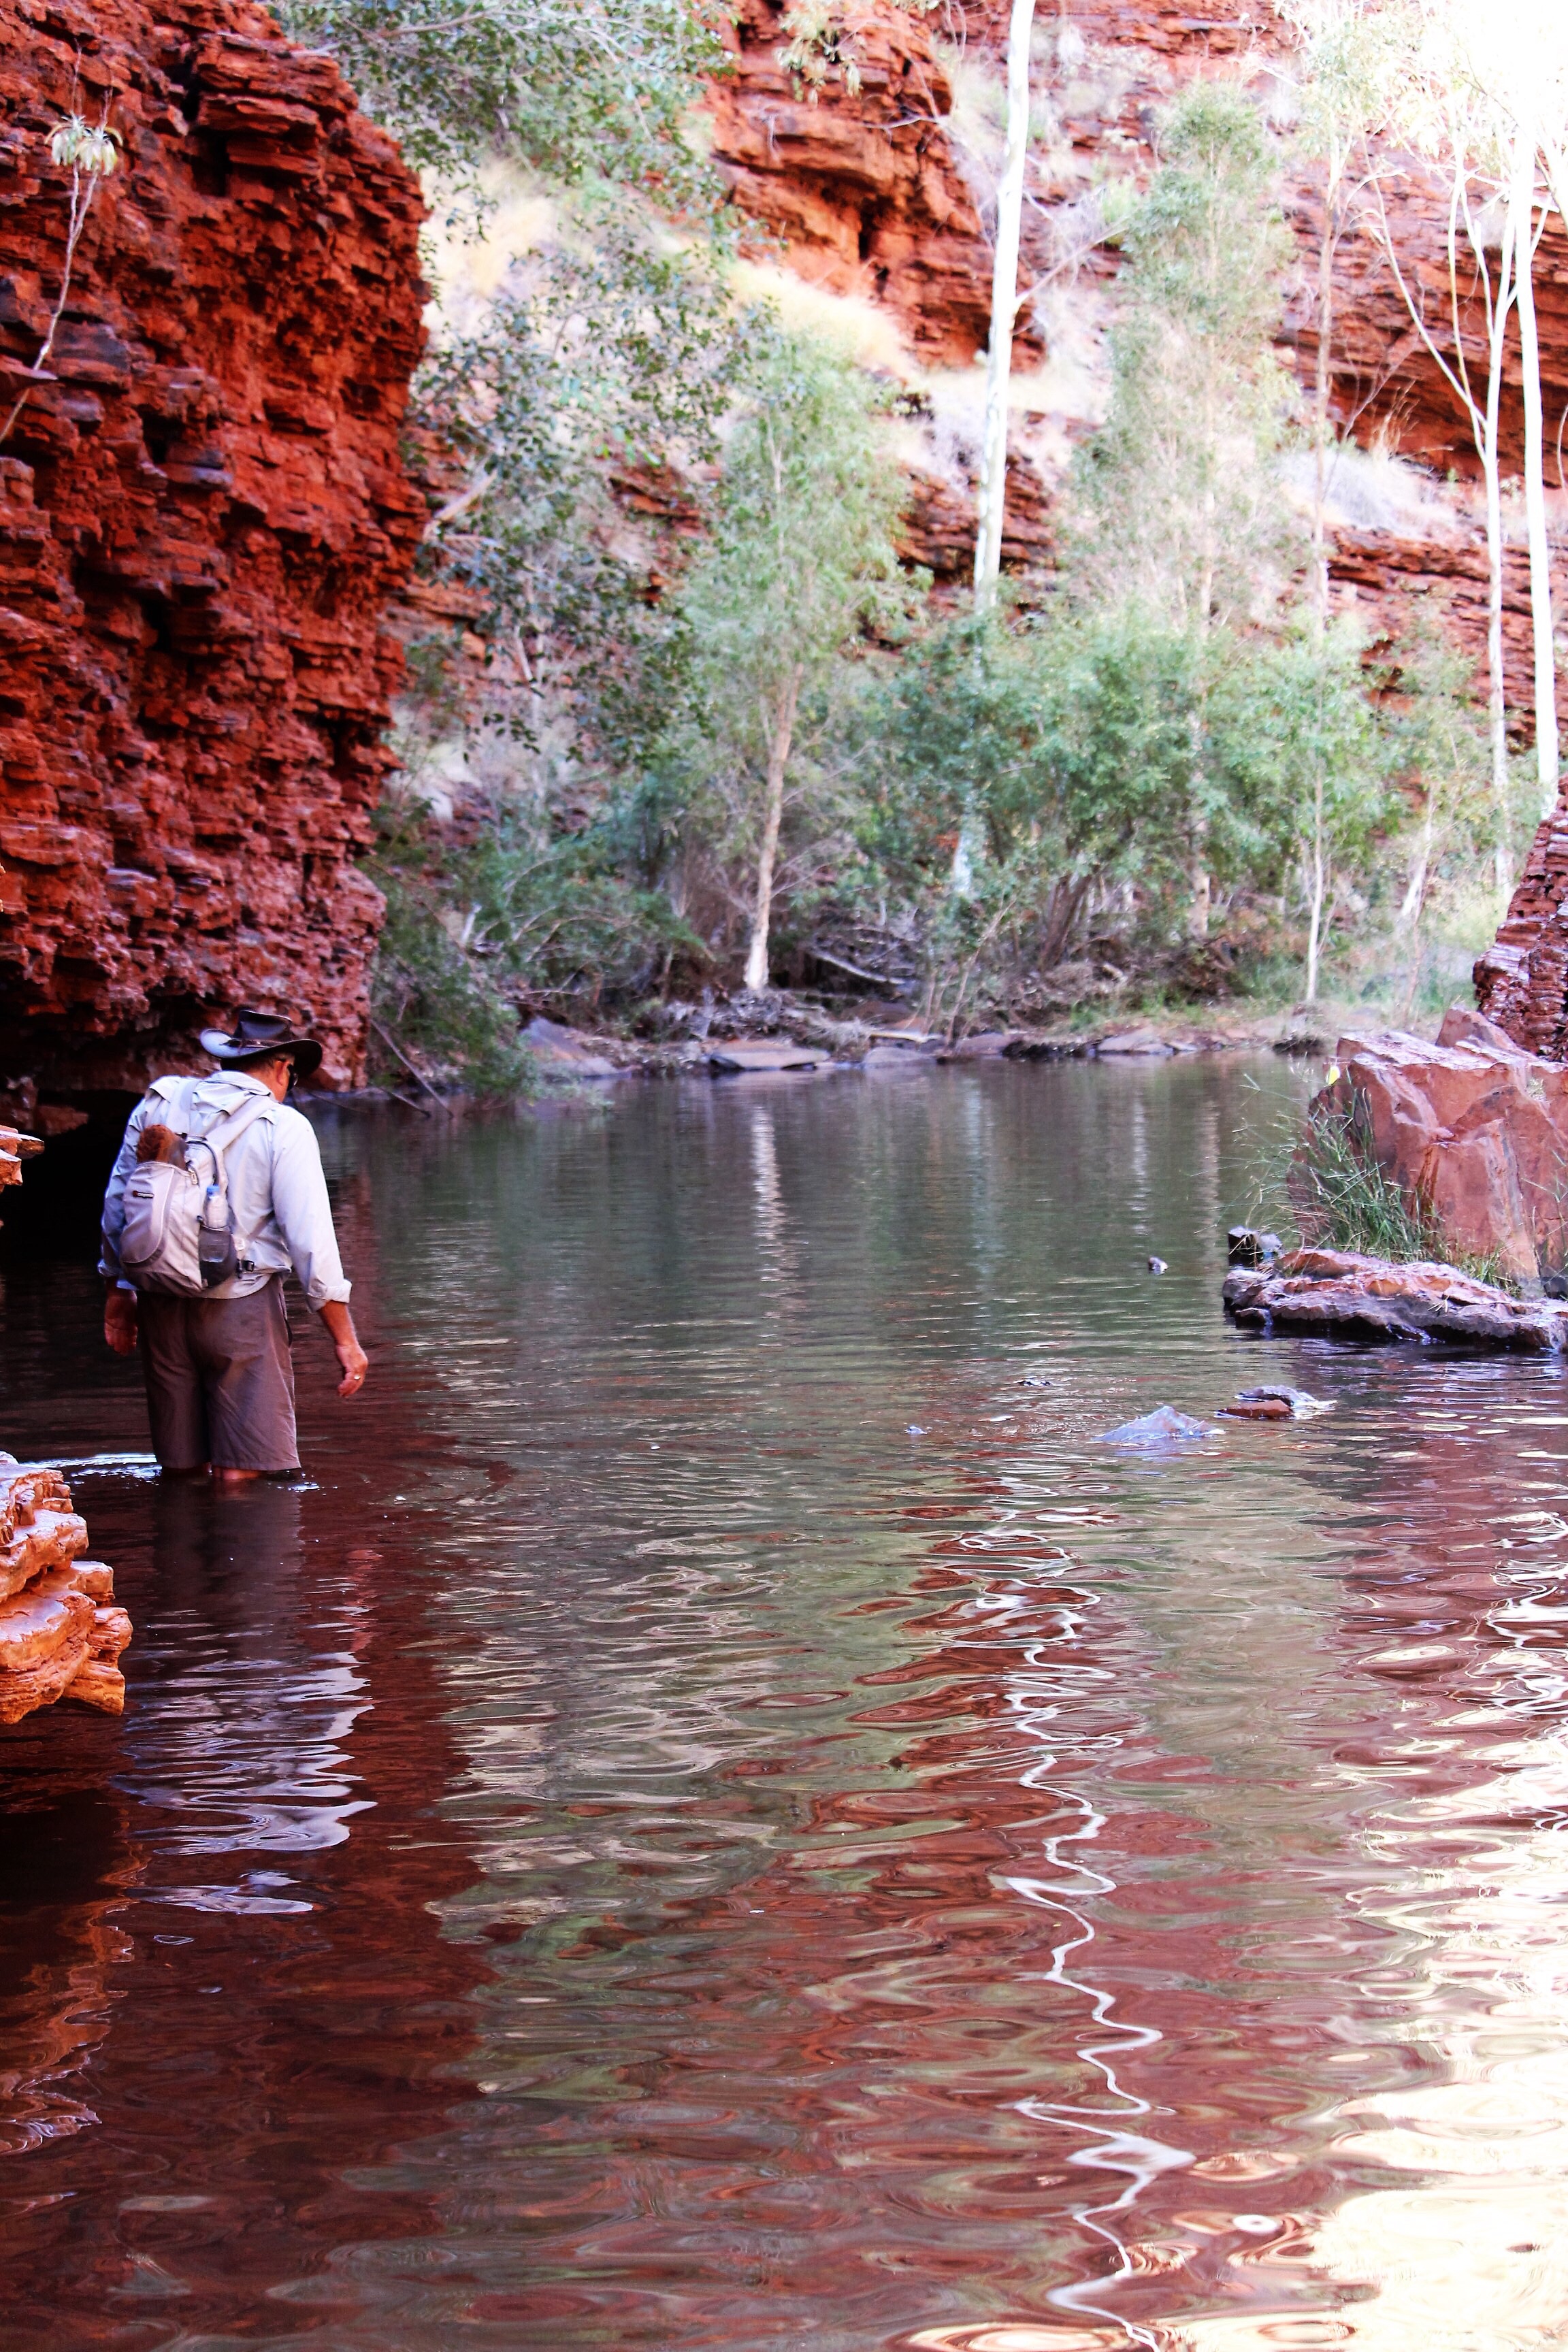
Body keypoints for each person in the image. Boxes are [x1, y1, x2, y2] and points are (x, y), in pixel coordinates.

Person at [99, 1008, 370, 1481]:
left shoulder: (157, 1106)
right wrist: (345, 1340)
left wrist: (119, 1292)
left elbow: (120, 1203)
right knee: (241, 1475)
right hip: (239, 1306)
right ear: (284, 1068)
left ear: (227, 1059)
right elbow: (311, 1244)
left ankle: (179, 1551)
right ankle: (244, 1553)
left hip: (160, 1301)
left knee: (181, 1471)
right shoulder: (282, 1126)